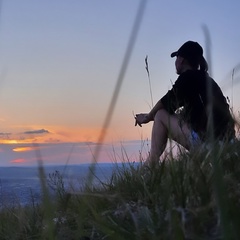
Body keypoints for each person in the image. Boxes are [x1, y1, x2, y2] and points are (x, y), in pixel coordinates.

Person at [135, 41, 235, 163]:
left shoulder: (187, 78)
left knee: (160, 115)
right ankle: (152, 163)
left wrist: (147, 117)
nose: (175, 62)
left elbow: (165, 103)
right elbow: (183, 115)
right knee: (163, 115)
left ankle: (151, 164)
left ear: (181, 60)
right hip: (229, 145)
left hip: (211, 147)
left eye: (176, 58)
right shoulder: (205, 80)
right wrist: (150, 115)